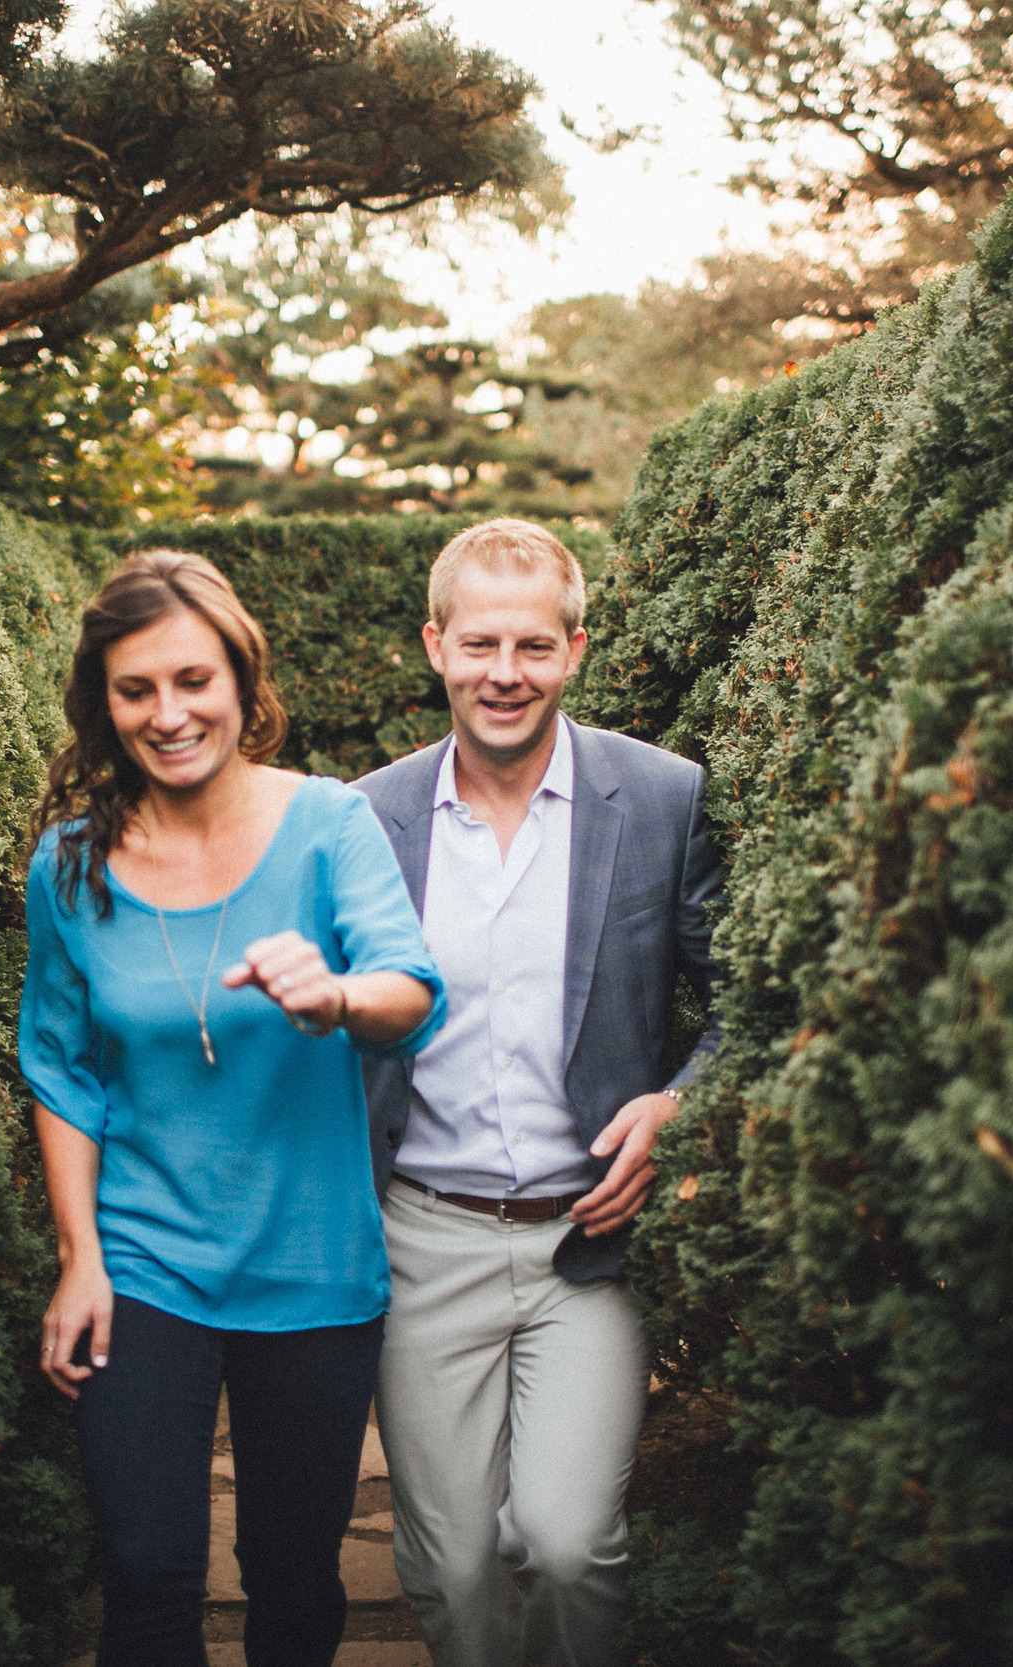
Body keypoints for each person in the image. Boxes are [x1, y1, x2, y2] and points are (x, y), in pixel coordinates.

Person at [21, 551, 447, 1667]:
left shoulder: (327, 822)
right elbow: (61, 1065)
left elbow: (409, 992)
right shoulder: (68, 864)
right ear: (102, 703)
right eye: (135, 689)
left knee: (293, 1572)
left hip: (313, 1264)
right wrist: (80, 1256)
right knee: (149, 1564)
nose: (168, 714)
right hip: (145, 1260)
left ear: (240, 681)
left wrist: (337, 992)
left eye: (192, 680)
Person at [350, 518, 723, 1667]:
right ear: (435, 646)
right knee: (449, 1564)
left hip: (589, 1242)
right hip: (421, 1241)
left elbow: (745, 992)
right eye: (478, 644)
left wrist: (678, 1104)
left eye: (530, 645)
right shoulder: (365, 817)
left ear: (572, 648)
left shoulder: (663, 797)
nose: (502, 673)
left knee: (566, 1543)